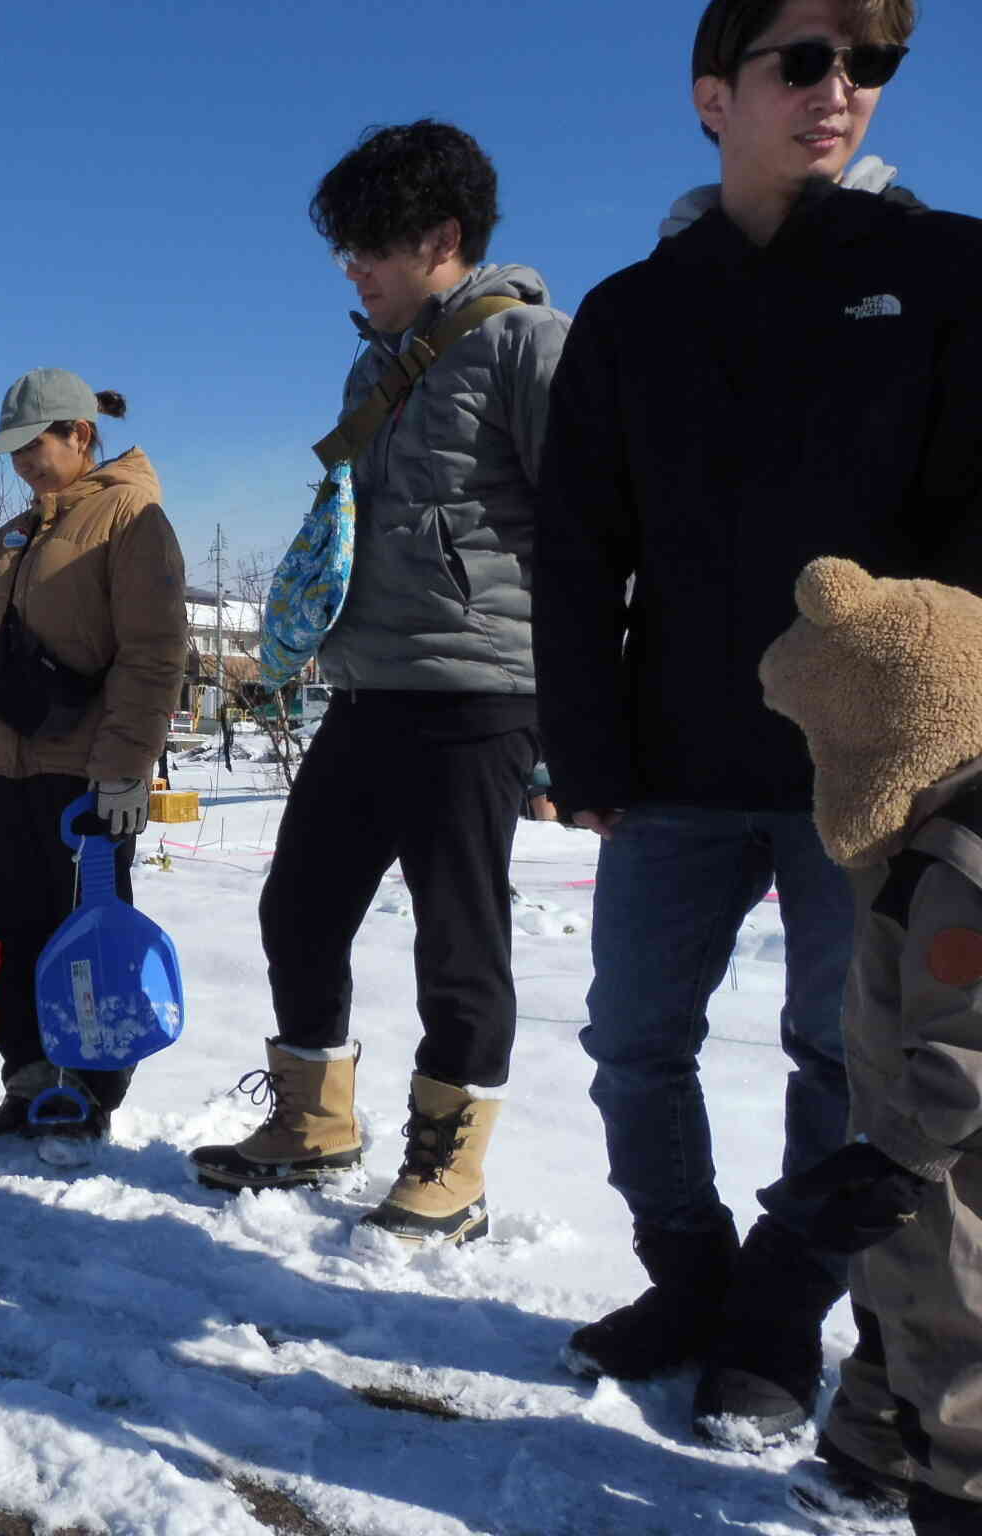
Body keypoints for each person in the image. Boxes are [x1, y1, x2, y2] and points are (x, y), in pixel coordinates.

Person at [533, 0, 982, 1446]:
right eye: (801, 60)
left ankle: (782, 1313)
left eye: (868, 63)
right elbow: (576, 548)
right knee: (632, 1039)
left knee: (843, 1061)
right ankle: (688, 1279)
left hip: (879, 776)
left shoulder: (947, 271)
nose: (837, 88)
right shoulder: (631, 312)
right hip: (671, 757)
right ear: (712, 94)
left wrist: (950, 739)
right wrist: (582, 743)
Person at [189, 123, 568, 1247]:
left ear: (441, 238)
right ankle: (314, 1122)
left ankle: (448, 1167)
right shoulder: (376, 366)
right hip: (364, 692)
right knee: (298, 907)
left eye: (369, 246)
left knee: (457, 938)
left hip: (478, 694)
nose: (350, 268)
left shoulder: (530, 346)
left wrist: (579, 717)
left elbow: (597, 534)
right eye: (345, 247)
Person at [759, 559, 982, 1536]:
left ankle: (958, 1499)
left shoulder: (956, 863)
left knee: (951, 1319)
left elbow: (970, 1039)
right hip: (915, 1134)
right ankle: (866, 1459)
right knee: (896, 1298)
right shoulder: (935, 830)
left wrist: (904, 1158)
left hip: (949, 1152)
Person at [0, 369, 187, 1143]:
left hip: (86, 776)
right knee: (18, 929)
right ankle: (28, 1084)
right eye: (12, 451)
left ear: (80, 434)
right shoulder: (10, 539)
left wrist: (125, 765)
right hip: (9, 770)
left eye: (33, 446)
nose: (22, 463)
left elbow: (153, 653)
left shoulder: (132, 518)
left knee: (87, 939)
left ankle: (87, 1089)